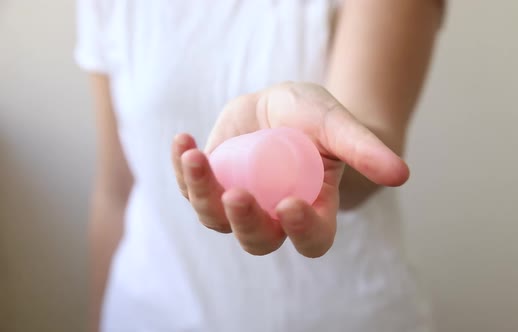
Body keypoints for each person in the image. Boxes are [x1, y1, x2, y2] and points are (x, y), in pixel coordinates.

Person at [76, 0, 445, 331]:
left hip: (337, 316)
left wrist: (327, 150)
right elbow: (116, 187)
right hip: (147, 315)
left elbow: (368, 135)